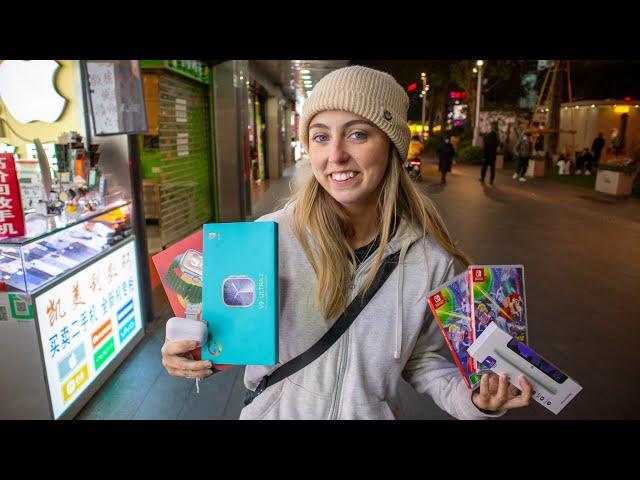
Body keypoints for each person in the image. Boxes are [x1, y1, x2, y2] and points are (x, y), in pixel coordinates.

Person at [160, 66, 532, 420]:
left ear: (392, 146)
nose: (335, 155)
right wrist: (187, 347)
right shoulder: (266, 238)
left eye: (357, 134)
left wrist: (476, 401)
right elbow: (219, 329)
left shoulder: (430, 260)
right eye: (321, 136)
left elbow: (423, 359)